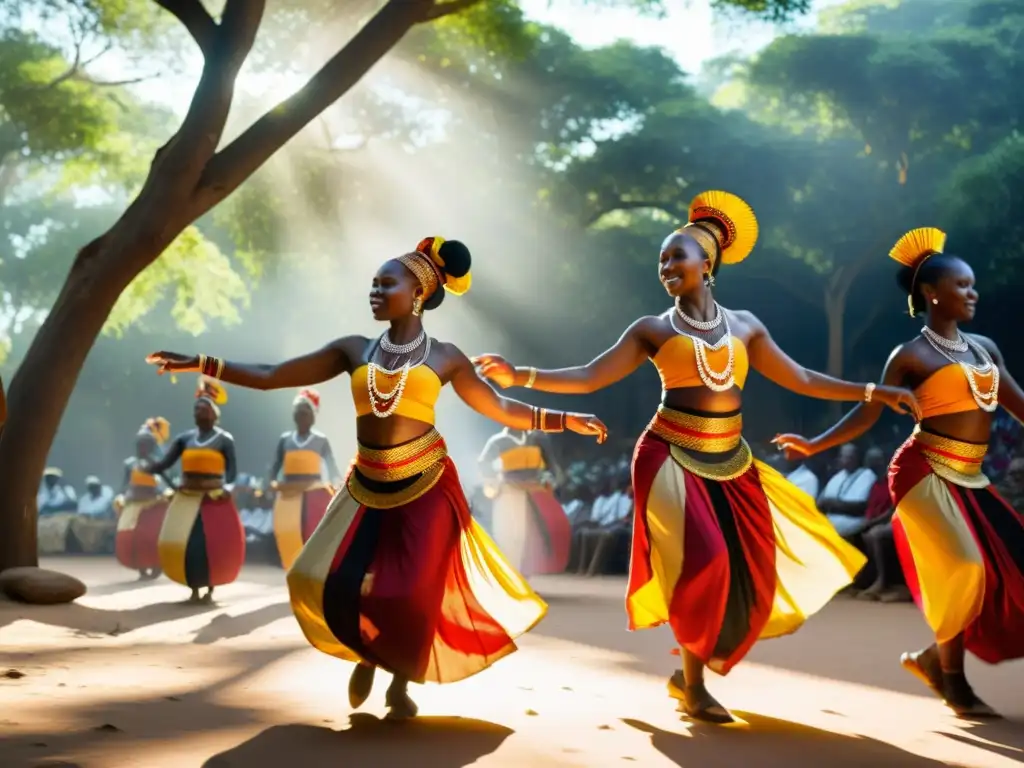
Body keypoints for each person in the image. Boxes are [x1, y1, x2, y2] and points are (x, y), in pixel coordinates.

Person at [474, 190, 920, 723]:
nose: (665, 266)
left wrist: (872, 391)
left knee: (748, 568)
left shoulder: (747, 326)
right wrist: (518, 375)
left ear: (706, 264)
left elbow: (801, 378)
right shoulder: (652, 329)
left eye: (675, 256)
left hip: (731, 458)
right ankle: (694, 685)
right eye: (661, 259)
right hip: (667, 454)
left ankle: (688, 670)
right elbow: (591, 375)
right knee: (704, 558)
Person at [145, 236, 607, 720]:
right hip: (367, 484)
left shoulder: (447, 357)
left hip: (427, 483)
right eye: (373, 282)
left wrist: (563, 419)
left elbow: (501, 406)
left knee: (410, 591)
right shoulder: (353, 349)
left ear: (419, 293)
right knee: (319, 578)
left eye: (387, 283)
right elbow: (272, 374)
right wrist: (202, 363)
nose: (375, 290)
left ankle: (400, 682)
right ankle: (368, 651)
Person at [775, 226, 1024, 718]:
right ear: (931, 293)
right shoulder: (910, 355)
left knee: (1007, 568)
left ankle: (937, 663)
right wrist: (815, 444)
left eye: (973, 285)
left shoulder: (986, 349)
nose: (973, 293)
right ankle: (948, 671)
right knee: (966, 566)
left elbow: (1018, 404)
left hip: (972, 476)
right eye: (962, 285)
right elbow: (868, 413)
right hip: (922, 470)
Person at [141, 377, 244, 603]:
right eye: (196, 408)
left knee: (209, 544)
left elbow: (233, 473)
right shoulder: (184, 439)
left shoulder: (224, 440)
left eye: (203, 408)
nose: (199, 412)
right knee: (186, 543)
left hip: (212, 500)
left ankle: (209, 588)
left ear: (213, 413)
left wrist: (227, 488)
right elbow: (165, 463)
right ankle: (194, 588)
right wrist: (151, 466)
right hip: (187, 499)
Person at [478, 427, 571, 577]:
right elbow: (483, 465)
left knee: (531, 539)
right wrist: (496, 472)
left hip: (535, 494)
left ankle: (521, 579)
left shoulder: (538, 439)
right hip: (509, 492)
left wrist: (552, 480)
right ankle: (509, 579)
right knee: (508, 537)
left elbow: (552, 466)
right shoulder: (498, 441)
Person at [269, 388, 343, 569]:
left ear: (313, 416)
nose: (302, 415)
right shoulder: (285, 439)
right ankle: (293, 573)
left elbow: (333, 468)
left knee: (313, 535)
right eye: (299, 411)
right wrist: (270, 483)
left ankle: (311, 574)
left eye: (306, 411)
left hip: (314, 493)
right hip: (289, 494)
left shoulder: (321, 440)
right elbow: (275, 466)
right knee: (289, 535)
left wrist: (340, 487)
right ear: (294, 415)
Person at [114, 418, 173, 580]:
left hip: (153, 504)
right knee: (131, 536)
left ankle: (156, 565)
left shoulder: (157, 463)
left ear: (152, 446)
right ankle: (140, 566)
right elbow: (124, 485)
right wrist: (120, 497)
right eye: (140, 444)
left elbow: (167, 482)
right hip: (132, 503)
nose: (142, 447)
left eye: (145, 444)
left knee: (151, 537)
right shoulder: (129, 464)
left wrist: (173, 492)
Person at [816, 444, 877, 536]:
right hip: (829, 523)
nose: (846, 460)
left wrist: (833, 504)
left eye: (850, 457)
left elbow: (861, 507)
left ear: (857, 458)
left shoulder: (868, 476)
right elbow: (821, 502)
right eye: (843, 456)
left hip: (852, 524)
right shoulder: (837, 476)